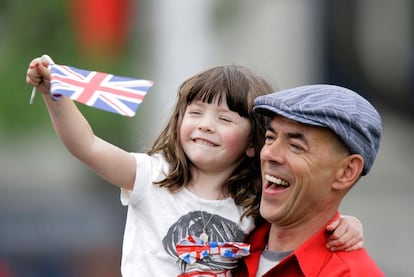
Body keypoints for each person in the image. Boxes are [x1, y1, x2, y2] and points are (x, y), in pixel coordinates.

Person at [26, 56, 364, 276]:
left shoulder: (257, 201)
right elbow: (86, 145)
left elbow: (305, 217)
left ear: (252, 144)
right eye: (196, 112)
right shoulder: (150, 176)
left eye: (225, 118)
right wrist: (55, 95)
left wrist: (346, 224)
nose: (205, 125)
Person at [234, 84, 385, 276]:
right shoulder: (229, 240)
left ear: (347, 171)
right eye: (270, 137)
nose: (269, 153)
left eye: (296, 146)